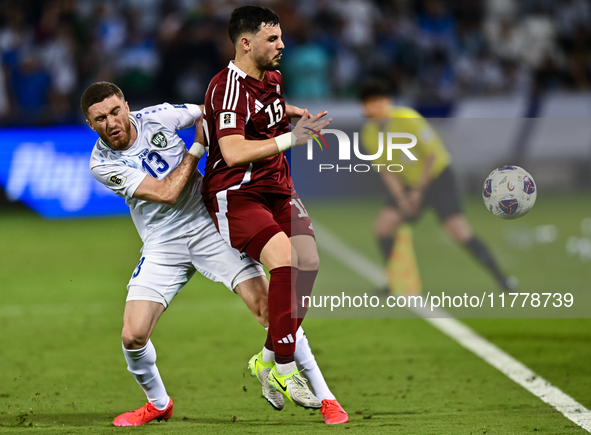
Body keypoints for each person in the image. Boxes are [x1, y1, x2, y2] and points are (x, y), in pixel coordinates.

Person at [82, 81, 345, 426]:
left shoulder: (159, 116)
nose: (111, 123)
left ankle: (326, 398)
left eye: (115, 111)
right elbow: (166, 193)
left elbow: (215, 112)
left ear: (126, 106)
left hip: (210, 225)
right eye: (100, 119)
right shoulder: (101, 164)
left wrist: (282, 112)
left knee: (271, 309)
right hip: (163, 243)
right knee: (132, 335)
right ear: (90, 125)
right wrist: (198, 148)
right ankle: (158, 403)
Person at [201, 5, 348, 423]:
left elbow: (265, 113)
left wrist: (291, 113)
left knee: (311, 263)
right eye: (273, 39)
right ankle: (285, 368)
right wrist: (291, 138)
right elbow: (231, 151)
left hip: (277, 189)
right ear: (245, 42)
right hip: (238, 194)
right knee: (284, 260)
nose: (282, 45)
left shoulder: (272, 79)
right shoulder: (225, 88)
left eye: (281, 37)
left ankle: (267, 357)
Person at [359, 79, 517, 292]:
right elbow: (386, 170)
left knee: (460, 232)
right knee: (383, 227)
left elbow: (432, 154)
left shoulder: (406, 119)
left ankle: (503, 280)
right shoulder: (369, 133)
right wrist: (402, 198)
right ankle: (394, 281)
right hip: (409, 184)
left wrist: (419, 192)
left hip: (438, 178)